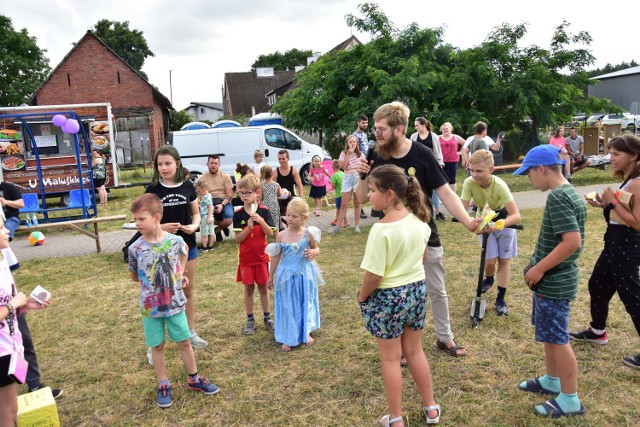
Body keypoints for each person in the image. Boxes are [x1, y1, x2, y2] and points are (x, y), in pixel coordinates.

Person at [357, 102, 481, 357]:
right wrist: (362, 175)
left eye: (381, 129)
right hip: (394, 240)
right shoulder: (377, 155)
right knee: (398, 293)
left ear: (399, 129)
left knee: (436, 290)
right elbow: (364, 198)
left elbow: (445, 192)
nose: (376, 134)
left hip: (425, 236)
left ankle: (445, 338)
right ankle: (402, 349)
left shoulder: (423, 154)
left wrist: (468, 222)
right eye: (376, 128)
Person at [358, 164, 440, 426]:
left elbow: (374, 275)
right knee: (416, 352)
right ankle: (431, 408)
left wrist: (361, 296)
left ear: (389, 194)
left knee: (391, 358)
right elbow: (423, 256)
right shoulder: (419, 221)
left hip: (387, 298)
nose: (369, 195)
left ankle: (395, 419)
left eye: (372, 190)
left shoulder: (381, 230)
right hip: (416, 292)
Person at [513, 144, 587, 418]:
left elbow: (572, 242)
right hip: (552, 281)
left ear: (542, 169)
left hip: (554, 282)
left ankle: (570, 399)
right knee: (550, 335)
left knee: (558, 339)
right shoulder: (567, 192)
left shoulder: (557, 197)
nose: (529, 179)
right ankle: (551, 379)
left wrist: (539, 269)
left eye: (529, 173)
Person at [128, 194, 219, 408]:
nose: (137, 223)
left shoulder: (175, 241)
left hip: (175, 304)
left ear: (157, 217)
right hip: (151, 308)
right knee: (157, 346)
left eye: (141, 219)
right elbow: (134, 276)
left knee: (184, 341)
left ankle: (194, 378)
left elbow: (184, 252)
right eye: (135, 220)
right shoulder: (135, 249)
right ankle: (163, 383)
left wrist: (179, 273)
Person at [569, 134, 640, 369]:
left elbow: (637, 222)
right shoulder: (631, 178)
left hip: (627, 244)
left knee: (632, 295)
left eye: (616, 154)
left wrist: (614, 202)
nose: (611, 158)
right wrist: (605, 204)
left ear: (634, 155)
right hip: (615, 241)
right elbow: (623, 210)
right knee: (597, 283)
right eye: (610, 153)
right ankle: (597, 331)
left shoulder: (638, 181)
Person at [146, 146, 207, 351]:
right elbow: (144, 222)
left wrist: (195, 226)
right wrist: (160, 228)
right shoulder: (153, 190)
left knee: (186, 290)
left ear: (177, 163)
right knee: (160, 294)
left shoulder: (188, 186)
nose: (163, 168)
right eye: (160, 164)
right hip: (159, 249)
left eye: (167, 163)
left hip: (186, 247)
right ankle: (155, 343)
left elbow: (196, 213)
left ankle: (190, 332)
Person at [0, 214, 49, 425]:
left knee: (11, 410)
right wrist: (12, 304)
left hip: (11, 347)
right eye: (1, 228)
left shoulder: (3, 262)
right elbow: (7, 305)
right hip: (1, 353)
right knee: (9, 414)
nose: (7, 231)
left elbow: (8, 306)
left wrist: (24, 305)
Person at [460, 150, 521, 316]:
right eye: (471, 170)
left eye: (479, 171)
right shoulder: (469, 183)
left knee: (504, 260)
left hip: (503, 222)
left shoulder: (500, 185)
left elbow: (516, 215)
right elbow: (461, 209)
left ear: (491, 169)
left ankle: (501, 298)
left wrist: (499, 225)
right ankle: (489, 279)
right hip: (485, 221)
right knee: (489, 260)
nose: (474, 175)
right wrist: (471, 222)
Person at [266, 198, 323, 351]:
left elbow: (316, 249)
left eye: (294, 216)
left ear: (304, 218)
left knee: (304, 301)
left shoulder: (308, 233)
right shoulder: (281, 235)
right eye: (288, 215)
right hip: (286, 275)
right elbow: (276, 256)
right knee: (288, 304)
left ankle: (305, 331)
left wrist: (313, 252)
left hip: (304, 274)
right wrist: (270, 276)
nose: (290, 219)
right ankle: (289, 335)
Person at [232, 175, 276, 335]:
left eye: (247, 192)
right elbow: (238, 239)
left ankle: (267, 317)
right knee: (248, 289)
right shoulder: (238, 214)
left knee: (264, 288)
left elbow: (270, 233)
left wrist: (261, 221)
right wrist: (248, 228)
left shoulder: (264, 211)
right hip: (246, 260)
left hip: (262, 259)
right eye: (241, 193)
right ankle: (250, 319)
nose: (244, 196)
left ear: (257, 193)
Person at [329, 135, 366, 234]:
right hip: (347, 178)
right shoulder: (343, 153)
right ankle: (338, 227)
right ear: (347, 143)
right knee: (344, 204)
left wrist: (360, 172)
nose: (352, 144)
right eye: (350, 142)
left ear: (357, 143)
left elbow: (364, 166)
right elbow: (343, 166)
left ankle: (357, 226)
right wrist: (348, 154)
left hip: (357, 178)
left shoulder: (361, 154)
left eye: (354, 142)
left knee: (357, 203)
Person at [411, 117, 446, 221]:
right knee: (420, 189)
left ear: (423, 125)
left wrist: (440, 163)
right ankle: (422, 211)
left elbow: (438, 151)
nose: (415, 127)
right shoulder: (413, 136)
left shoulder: (433, 136)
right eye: (415, 125)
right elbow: (411, 151)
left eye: (417, 125)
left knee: (434, 190)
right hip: (418, 167)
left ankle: (438, 211)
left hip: (432, 166)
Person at [199, 155, 234, 242]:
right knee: (203, 219)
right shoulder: (202, 178)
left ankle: (218, 229)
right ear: (207, 164)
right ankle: (223, 227)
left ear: (219, 165)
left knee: (229, 220)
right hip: (209, 202)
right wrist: (210, 207)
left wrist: (222, 205)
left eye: (215, 163)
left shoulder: (225, 177)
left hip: (224, 201)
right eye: (211, 163)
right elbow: (201, 197)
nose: (213, 165)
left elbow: (229, 195)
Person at [275, 150, 304, 225]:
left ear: (288, 158)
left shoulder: (294, 170)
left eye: (283, 158)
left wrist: (301, 196)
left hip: (291, 197)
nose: (281, 161)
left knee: (296, 214)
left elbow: (299, 184)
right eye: (279, 159)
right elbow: (273, 187)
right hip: (280, 198)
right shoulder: (275, 172)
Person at [438, 122, 466, 193]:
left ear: (450, 129)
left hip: (453, 161)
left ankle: (453, 195)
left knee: (452, 179)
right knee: (442, 179)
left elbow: (465, 143)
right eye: (443, 129)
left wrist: (461, 152)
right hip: (441, 162)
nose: (445, 130)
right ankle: (445, 195)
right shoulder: (438, 137)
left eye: (446, 128)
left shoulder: (455, 137)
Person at [352, 113, 370, 219]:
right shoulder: (355, 136)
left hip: (366, 162)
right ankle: (360, 209)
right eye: (363, 123)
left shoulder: (364, 135)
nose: (365, 125)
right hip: (359, 164)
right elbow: (354, 152)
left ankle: (375, 209)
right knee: (359, 186)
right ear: (358, 123)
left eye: (366, 123)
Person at [260, 165, 282, 230]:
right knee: (275, 224)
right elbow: (279, 195)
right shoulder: (276, 184)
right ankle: (276, 236)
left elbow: (261, 197)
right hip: (274, 206)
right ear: (272, 173)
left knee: (265, 223)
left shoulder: (261, 185)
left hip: (265, 207)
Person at [195, 180, 214, 252]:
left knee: (204, 233)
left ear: (203, 190)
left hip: (205, 217)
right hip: (210, 217)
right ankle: (210, 246)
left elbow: (210, 207)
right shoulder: (208, 195)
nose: (198, 193)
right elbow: (205, 205)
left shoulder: (206, 197)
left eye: (199, 191)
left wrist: (208, 217)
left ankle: (205, 247)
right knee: (211, 231)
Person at [330, 160, 344, 226]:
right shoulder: (343, 173)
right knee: (342, 208)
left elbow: (333, 186)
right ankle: (338, 220)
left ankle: (338, 220)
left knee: (338, 209)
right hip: (344, 194)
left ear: (333, 167)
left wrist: (331, 183)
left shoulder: (334, 176)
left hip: (338, 195)